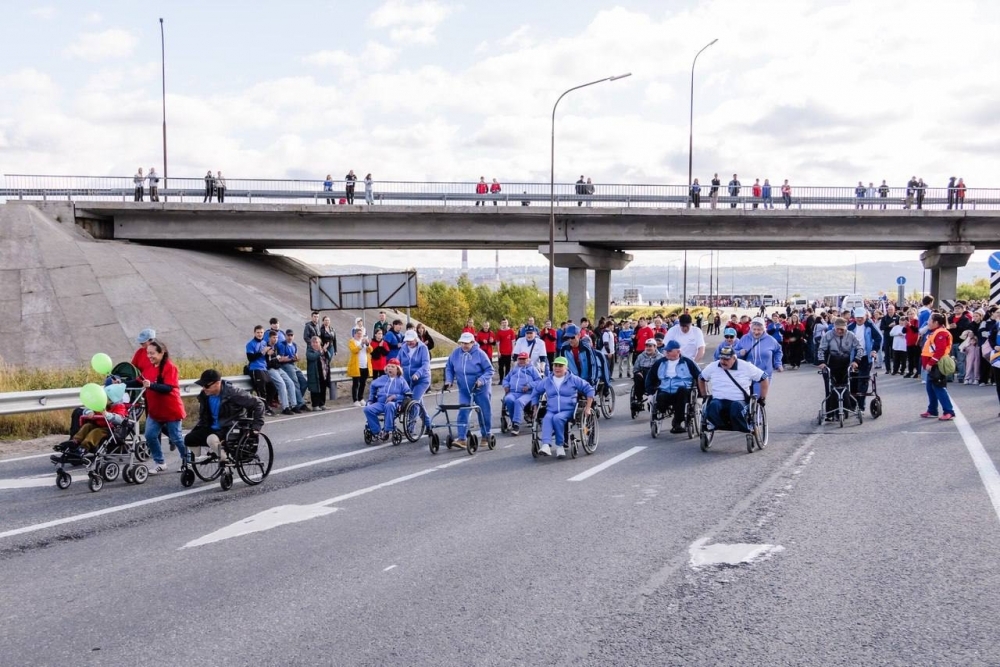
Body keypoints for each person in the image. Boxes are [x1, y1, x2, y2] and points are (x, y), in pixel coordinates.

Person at [183, 369, 265, 463]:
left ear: (217, 383)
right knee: (189, 438)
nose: (204, 388)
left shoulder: (233, 393)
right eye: (202, 385)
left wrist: (256, 426)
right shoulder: (204, 395)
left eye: (206, 385)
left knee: (211, 439)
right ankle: (199, 458)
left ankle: (224, 458)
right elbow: (204, 415)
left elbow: (259, 404)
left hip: (231, 427)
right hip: (211, 427)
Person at [529, 356, 594, 458]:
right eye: (555, 365)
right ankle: (546, 445)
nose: (557, 368)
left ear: (566, 368)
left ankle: (560, 445)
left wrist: (588, 407)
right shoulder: (547, 380)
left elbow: (589, 389)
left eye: (560, 366)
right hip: (551, 409)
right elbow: (536, 391)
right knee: (547, 418)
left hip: (568, 410)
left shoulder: (573, 379)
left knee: (557, 418)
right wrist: (535, 406)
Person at [141, 339, 190, 473]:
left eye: (152, 353)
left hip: (171, 410)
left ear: (162, 353)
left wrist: (151, 385)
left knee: (176, 438)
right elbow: (140, 381)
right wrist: (122, 382)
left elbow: (168, 388)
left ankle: (188, 460)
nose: (149, 356)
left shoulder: (170, 367)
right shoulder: (149, 367)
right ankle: (160, 462)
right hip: (155, 411)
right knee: (150, 435)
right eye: (148, 353)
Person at [698, 346, 768, 433]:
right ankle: (717, 425)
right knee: (712, 406)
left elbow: (764, 377)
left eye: (726, 359)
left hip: (739, 401)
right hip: (719, 400)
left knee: (736, 407)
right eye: (721, 358)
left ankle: (746, 427)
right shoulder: (712, 367)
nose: (723, 361)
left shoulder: (746, 366)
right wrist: (704, 395)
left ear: (734, 358)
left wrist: (762, 398)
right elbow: (701, 378)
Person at [54, 383, 130, 462]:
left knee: (96, 432)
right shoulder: (101, 403)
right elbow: (88, 408)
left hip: (110, 429)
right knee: (87, 426)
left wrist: (108, 415)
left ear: (111, 400)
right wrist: (89, 412)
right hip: (98, 424)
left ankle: (84, 447)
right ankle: (75, 441)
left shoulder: (120, 407)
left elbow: (120, 419)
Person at [443, 332, 494, 449]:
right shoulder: (456, 353)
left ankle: (486, 435)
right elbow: (449, 367)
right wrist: (449, 380)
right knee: (463, 411)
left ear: (472, 342)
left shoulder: (480, 354)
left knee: (483, 411)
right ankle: (462, 438)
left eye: (467, 343)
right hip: (464, 389)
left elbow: (490, 370)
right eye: (462, 343)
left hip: (480, 388)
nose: (464, 345)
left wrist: (481, 380)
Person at [645, 340, 701, 433]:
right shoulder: (660, 363)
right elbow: (650, 378)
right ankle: (660, 412)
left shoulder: (688, 362)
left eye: (669, 351)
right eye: (666, 350)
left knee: (682, 391)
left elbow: (700, 377)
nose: (667, 352)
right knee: (660, 398)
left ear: (678, 351)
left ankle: (677, 422)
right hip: (665, 390)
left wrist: (700, 396)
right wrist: (650, 393)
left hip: (682, 392)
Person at [817, 317, 865, 414]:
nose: (839, 331)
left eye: (842, 329)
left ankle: (846, 409)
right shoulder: (828, 335)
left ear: (845, 328)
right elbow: (821, 349)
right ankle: (830, 412)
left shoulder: (851, 335)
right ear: (834, 327)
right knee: (830, 388)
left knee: (846, 387)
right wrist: (822, 362)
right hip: (831, 364)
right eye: (837, 329)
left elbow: (860, 348)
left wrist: (856, 361)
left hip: (845, 364)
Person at [364, 358, 410, 441]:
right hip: (381, 403)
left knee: (389, 405)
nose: (390, 368)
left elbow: (407, 394)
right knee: (367, 409)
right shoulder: (382, 378)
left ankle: (386, 431)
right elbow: (373, 385)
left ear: (397, 369)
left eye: (392, 367)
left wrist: (395, 396)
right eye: (388, 366)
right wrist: (371, 399)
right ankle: (377, 431)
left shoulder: (401, 381)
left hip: (395, 404)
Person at [734, 317, 783, 393]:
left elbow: (778, 351)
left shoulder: (770, 340)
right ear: (751, 328)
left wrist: (778, 363)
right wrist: (740, 353)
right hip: (747, 374)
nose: (756, 332)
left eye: (759, 330)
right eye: (754, 329)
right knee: (745, 397)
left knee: (758, 397)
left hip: (764, 374)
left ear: (764, 329)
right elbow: (734, 352)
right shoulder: (744, 338)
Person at [921, 313, 955, 421]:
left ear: (935, 322)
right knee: (930, 389)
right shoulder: (935, 332)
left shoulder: (941, 333)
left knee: (939, 388)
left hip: (937, 365)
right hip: (932, 365)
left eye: (929, 320)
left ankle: (949, 411)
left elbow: (940, 350)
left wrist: (931, 363)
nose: (928, 322)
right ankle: (932, 410)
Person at [847, 308, 882, 410]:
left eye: (861, 317)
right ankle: (853, 405)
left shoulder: (870, 326)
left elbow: (879, 338)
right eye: (857, 317)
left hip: (866, 357)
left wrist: (874, 350)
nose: (859, 319)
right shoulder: (850, 327)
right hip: (854, 358)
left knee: (863, 381)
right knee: (853, 381)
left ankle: (861, 406)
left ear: (865, 317)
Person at [558, 324, 609, 391]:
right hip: (572, 380)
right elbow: (561, 365)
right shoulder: (564, 348)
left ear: (579, 335)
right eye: (568, 337)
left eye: (572, 337)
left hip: (586, 379)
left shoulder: (586, 348)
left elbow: (593, 365)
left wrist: (591, 381)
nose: (570, 340)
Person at [502, 352, 543, 436]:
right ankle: (513, 421)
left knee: (519, 402)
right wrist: (506, 386)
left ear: (528, 360)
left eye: (524, 359)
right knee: (508, 399)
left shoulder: (532, 369)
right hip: (513, 392)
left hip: (528, 393)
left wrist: (529, 386)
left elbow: (539, 381)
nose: (521, 361)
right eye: (520, 359)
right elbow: (505, 379)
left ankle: (516, 424)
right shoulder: (514, 369)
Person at [399, 329, 433, 428]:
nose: (409, 343)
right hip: (408, 380)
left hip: (422, 379)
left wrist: (418, 373)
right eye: (407, 341)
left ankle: (410, 428)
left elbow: (426, 364)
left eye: (411, 340)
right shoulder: (403, 348)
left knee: (413, 402)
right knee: (418, 403)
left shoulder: (423, 348)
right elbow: (397, 360)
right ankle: (429, 425)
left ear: (416, 339)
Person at [245, 325, 275, 415]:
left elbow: (265, 357)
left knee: (272, 388)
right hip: (255, 368)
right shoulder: (250, 344)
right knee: (261, 391)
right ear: (254, 333)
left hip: (264, 368)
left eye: (261, 332)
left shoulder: (264, 343)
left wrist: (268, 354)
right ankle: (263, 409)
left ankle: (266, 406)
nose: (260, 334)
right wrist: (262, 352)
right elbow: (250, 358)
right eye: (258, 332)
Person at [348, 328, 372, 406]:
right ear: (354, 334)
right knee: (356, 384)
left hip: (365, 365)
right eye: (358, 333)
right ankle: (355, 400)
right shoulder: (352, 341)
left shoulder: (365, 341)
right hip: (357, 366)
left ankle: (360, 398)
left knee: (363, 383)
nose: (359, 335)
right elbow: (354, 350)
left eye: (361, 334)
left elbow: (370, 350)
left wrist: (367, 344)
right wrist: (361, 344)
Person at [306, 336, 330, 411]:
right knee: (315, 390)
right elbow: (312, 357)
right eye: (313, 342)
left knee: (323, 388)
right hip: (314, 373)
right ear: (311, 343)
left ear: (320, 343)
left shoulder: (322, 350)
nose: (315, 344)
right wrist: (320, 351)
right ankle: (315, 405)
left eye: (317, 342)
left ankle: (322, 404)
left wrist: (325, 350)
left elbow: (329, 357)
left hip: (323, 372)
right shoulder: (309, 351)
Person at [496, 318, 516, 383]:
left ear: (507, 323)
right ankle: (501, 380)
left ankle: (506, 380)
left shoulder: (511, 331)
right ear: (501, 323)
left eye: (505, 322)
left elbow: (513, 342)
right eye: (503, 323)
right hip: (501, 353)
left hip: (509, 352)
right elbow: (498, 343)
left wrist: (513, 351)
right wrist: (498, 352)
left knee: (508, 367)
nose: (504, 324)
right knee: (501, 367)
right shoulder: (499, 332)